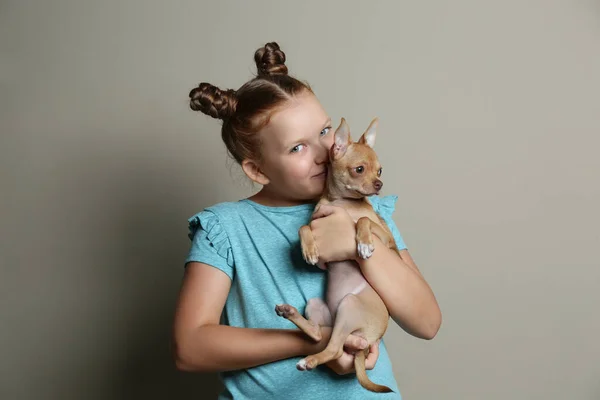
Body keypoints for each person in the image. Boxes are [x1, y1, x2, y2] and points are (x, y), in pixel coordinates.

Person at [172, 42, 441, 400]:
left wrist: (361, 247)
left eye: (325, 131)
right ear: (257, 169)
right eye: (296, 147)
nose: (323, 153)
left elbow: (427, 322)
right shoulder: (225, 228)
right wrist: (311, 341)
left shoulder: (366, 209)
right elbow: (189, 348)